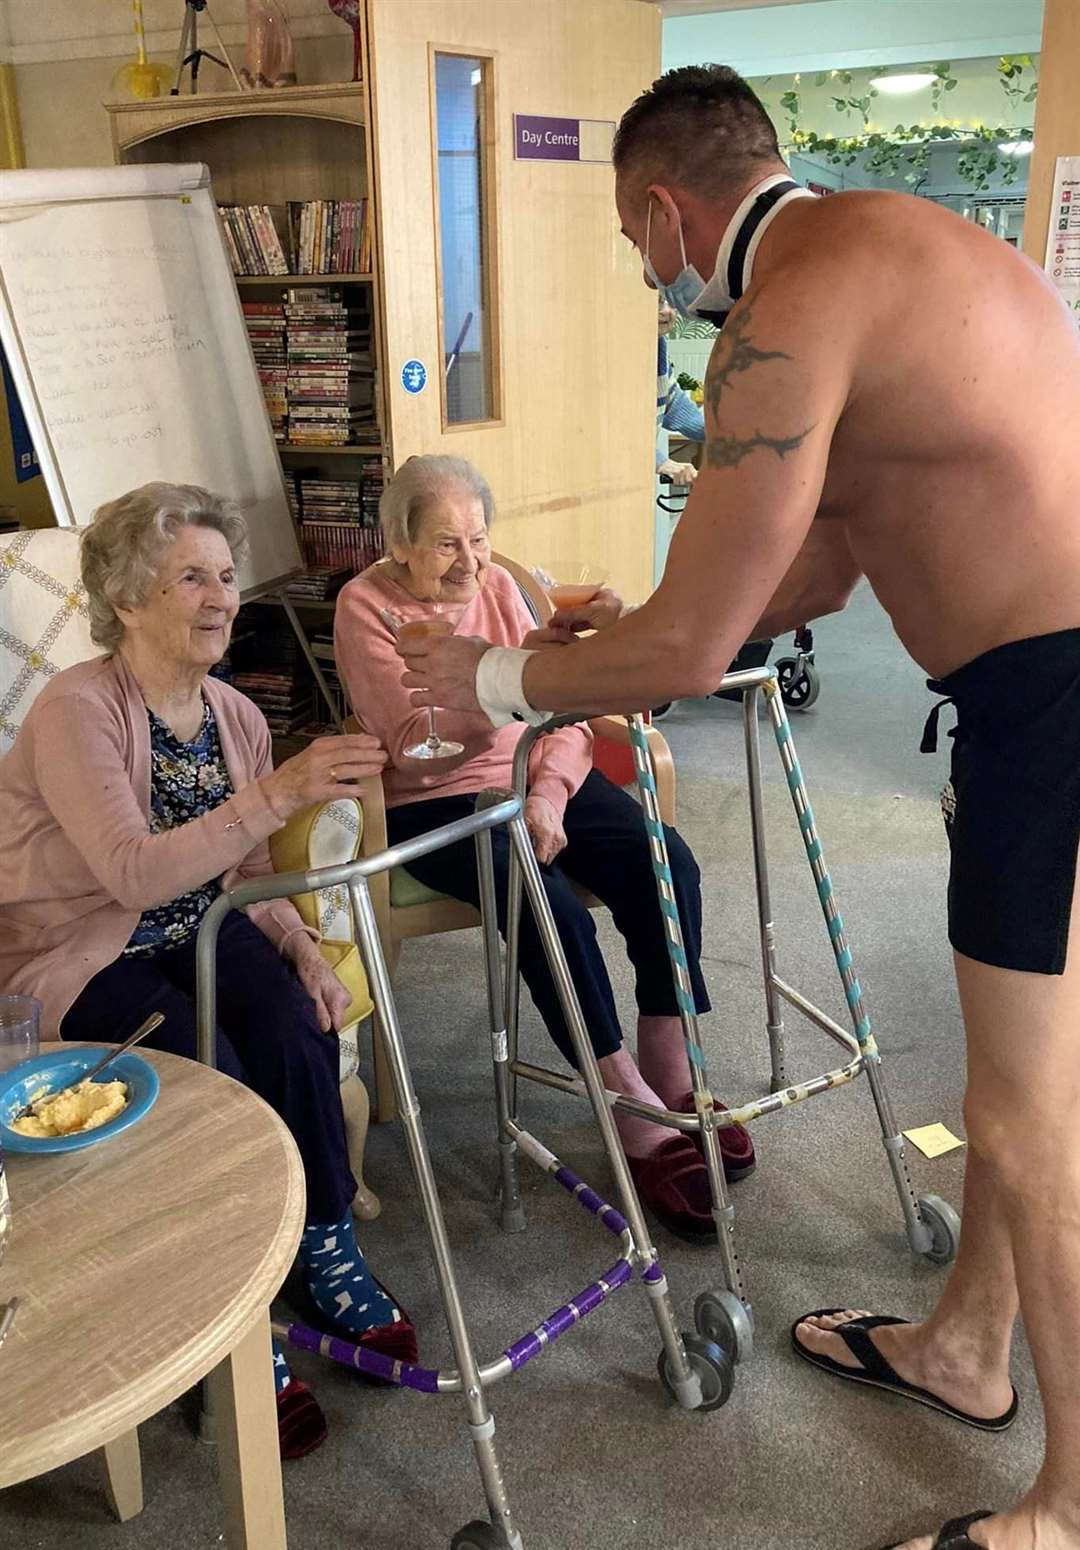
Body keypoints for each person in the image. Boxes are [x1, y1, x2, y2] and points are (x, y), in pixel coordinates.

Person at [396, 65, 1080, 1550]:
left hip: (1054, 700)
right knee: (1025, 1087)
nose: (656, 279)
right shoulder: (897, 251)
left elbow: (696, 657)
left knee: (1028, 1119)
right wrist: (626, 626)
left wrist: (503, 676)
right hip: (1044, 688)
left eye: (641, 250)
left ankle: (1072, 1505)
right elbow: (812, 574)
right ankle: (968, 1348)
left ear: (664, 209)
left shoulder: (782, 312)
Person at [0, 482, 416, 1461]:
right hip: (82, 946)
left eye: (227, 577)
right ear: (129, 593)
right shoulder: (76, 710)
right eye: (192, 576)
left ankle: (322, 1237)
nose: (222, 596)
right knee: (206, 1058)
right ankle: (232, 1311)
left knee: (292, 1021)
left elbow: (243, 874)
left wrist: (304, 947)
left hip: (204, 919)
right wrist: (278, 792)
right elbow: (132, 871)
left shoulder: (233, 711)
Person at [333, 453, 755, 1242]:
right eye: (445, 544)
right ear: (397, 543)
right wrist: (511, 689)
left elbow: (564, 713)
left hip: (541, 777)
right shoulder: (366, 608)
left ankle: (671, 1061)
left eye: (479, 538)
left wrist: (546, 785)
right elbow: (417, 745)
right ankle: (619, 1095)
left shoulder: (503, 587)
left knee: (662, 857)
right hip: (439, 802)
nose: (471, 561)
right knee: (548, 907)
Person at [656, 298, 705, 487]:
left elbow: (674, 404)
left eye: (671, 304)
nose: (667, 311)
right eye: (658, 304)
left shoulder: (659, 349)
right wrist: (663, 463)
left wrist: (723, 434)